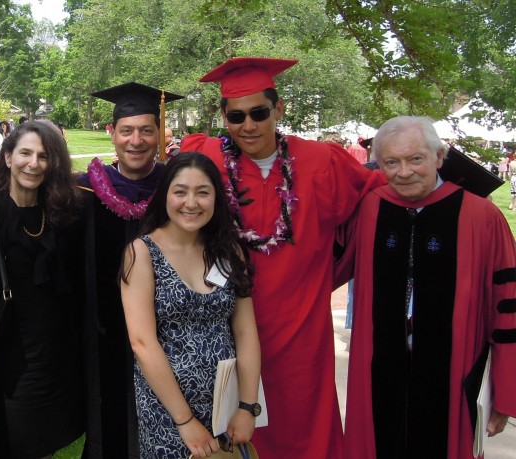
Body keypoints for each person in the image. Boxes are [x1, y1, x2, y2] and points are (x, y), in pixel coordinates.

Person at [180, 57, 384, 459]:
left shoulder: (321, 162)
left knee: (303, 430)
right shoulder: (208, 162)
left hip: (301, 330)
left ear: (279, 109)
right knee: (234, 432)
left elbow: (377, 196)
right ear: (224, 116)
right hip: (226, 327)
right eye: (236, 116)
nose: (248, 126)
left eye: (259, 112)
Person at [334, 116, 516, 459]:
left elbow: (506, 306)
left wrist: (505, 393)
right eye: (391, 162)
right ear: (378, 163)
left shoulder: (481, 217)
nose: (404, 172)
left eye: (416, 159)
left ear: (440, 157)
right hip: (377, 370)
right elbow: (320, 270)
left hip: (453, 375)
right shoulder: (370, 208)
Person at [120, 152, 261, 459]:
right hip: (168, 410)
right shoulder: (142, 253)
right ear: (166, 195)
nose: (191, 203)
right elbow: (142, 343)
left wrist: (248, 406)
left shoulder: (228, 251)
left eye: (203, 192)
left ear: (216, 199)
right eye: (180, 191)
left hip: (226, 404)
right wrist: (184, 421)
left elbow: (245, 331)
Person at [0, 121, 84, 458]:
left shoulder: (61, 211)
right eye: (25, 153)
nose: (33, 163)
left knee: (43, 443)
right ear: (7, 157)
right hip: (12, 356)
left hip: (56, 354)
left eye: (43, 156)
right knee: (13, 441)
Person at [76, 82, 182, 458]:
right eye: (127, 130)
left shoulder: (177, 193)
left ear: (160, 134)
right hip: (100, 335)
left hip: (169, 337)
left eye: (146, 130)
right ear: (113, 133)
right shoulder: (82, 192)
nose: (136, 140)